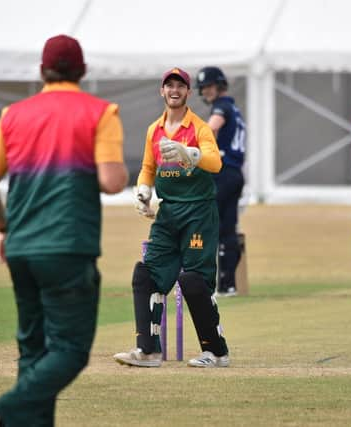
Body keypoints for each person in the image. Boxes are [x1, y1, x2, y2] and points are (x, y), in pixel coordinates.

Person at [0, 34, 128, 427]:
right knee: (70, 350)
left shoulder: (13, 115)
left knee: (33, 351)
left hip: (21, 248)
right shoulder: (100, 113)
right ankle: (0, 412)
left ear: (42, 72)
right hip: (67, 246)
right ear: (84, 71)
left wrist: (3, 228)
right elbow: (112, 181)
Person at [113, 67, 230, 368]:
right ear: (161, 91)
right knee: (146, 275)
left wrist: (187, 153)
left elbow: (215, 163)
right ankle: (149, 351)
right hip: (167, 213)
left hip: (198, 212)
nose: (174, 90)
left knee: (193, 280)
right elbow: (148, 168)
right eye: (169, 86)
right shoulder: (155, 129)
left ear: (188, 92)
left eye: (180, 86)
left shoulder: (200, 128)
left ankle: (215, 352)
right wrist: (142, 192)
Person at [195, 66, 246, 297]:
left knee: (207, 226)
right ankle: (228, 285)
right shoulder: (235, 109)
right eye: (203, 88)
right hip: (235, 174)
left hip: (222, 173)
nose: (205, 92)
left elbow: (211, 127)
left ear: (220, 85)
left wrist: (189, 148)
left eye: (208, 87)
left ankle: (207, 284)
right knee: (227, 229)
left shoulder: (222, 107)